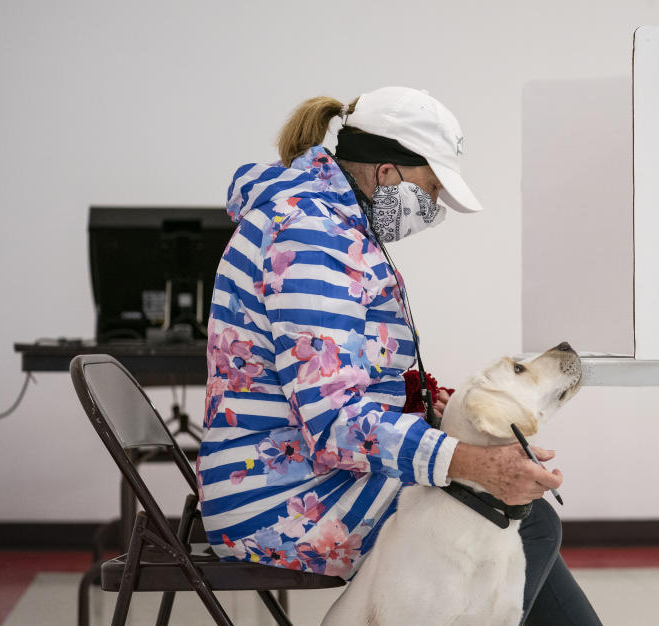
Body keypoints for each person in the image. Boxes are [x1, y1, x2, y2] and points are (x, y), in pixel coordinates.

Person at [197, 86, 601, 625]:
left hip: (298, 474)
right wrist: (470, 460)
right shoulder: (313, 237)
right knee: (510, 514)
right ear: (387, 173)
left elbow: (354, 379)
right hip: (279, 500)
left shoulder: (331, 223)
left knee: (518, 515)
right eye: (430, 188)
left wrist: (434, 410)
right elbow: (335, 420)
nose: (432, 208)